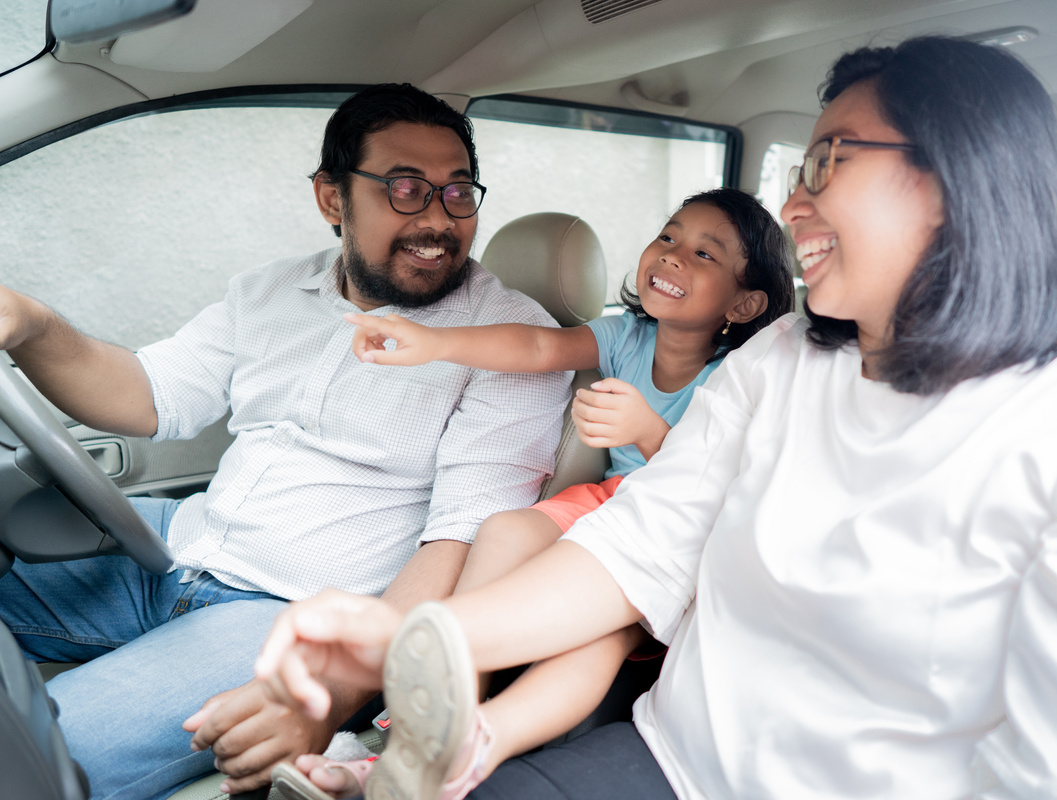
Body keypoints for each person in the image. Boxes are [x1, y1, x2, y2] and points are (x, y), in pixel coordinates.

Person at [253, 36, 1057, 800]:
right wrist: (415, 638)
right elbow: (639, 545)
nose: (793, 204)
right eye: (800, 166)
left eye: (829, 162)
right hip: (665, 761)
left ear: (957, 185)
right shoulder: (786, 360)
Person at [0, 83, 571, 800]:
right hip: (171, 546)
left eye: (458, 192)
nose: (438, 219)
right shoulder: (268, 292)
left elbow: (459, 542)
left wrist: (330, 689)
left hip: (285, 618)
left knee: (28, 755)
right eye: (405, 188)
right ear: (332, 199)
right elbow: (146, 394)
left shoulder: (513, 342)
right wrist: (29, 324)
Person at [268, 187, 795, 800]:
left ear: (745, 301)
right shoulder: (627, 336)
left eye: (706, 254)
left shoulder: (739, 371)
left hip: (680, 531)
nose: (674, 255)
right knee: (504, 530)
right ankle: (425, 722)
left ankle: (461, 752)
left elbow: (711, 485)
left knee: (596, 633)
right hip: (609, 501)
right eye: (670, 236)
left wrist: (651, 433)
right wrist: (433, 342)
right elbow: (540, 347)